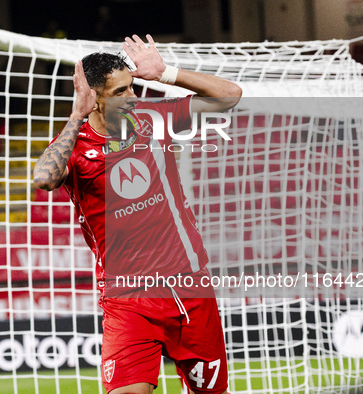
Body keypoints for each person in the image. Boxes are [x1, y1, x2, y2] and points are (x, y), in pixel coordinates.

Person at [34, 34, 242, 394]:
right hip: (129, 299)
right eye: (119, 92)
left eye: (132, 87)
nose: (132, 98)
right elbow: (44, 179)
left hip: (190, 285)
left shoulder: (152, 118)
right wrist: (75, 116)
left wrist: (166, 73)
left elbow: (229, 96)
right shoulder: (76, 145)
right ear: (94, 101)